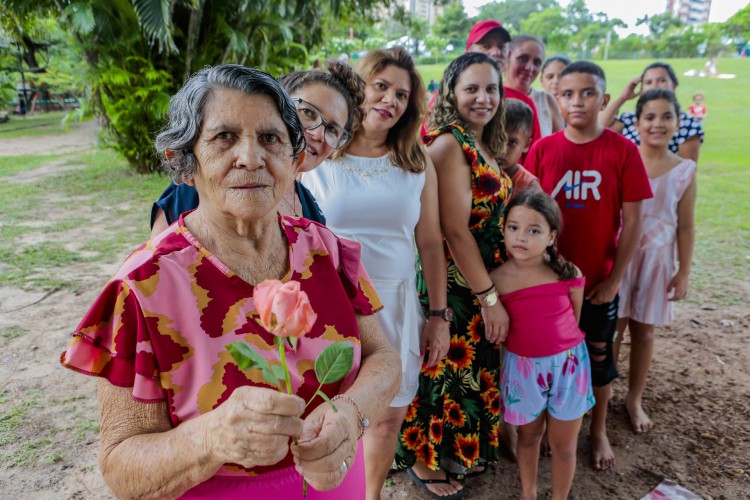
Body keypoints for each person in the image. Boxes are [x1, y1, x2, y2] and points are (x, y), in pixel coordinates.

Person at [60, 65, 401, 499]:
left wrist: (352, 415)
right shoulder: (142, 288)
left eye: (270, 138)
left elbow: (383, 357)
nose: (251, 157)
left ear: (293, 158)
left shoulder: (327, 252)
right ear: (184, 162)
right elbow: (121, 465)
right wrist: (212, 437)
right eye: (224, 138)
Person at [302, 47, 448, 500]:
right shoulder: (320, 154)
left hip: (397, 302)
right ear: (357, 88)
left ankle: (371, 495)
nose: (390, 100)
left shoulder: (416, 162)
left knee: (387, 415)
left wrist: (439, 315)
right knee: (326, 409)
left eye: (402, 95)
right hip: (331, 303)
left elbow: (429, 242)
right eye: (380, 86)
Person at [394, 52, 512, 499]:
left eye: (491, 89)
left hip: (477, 279)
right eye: (472, 88)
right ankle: (423, 460)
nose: (483, 98)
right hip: (456, 281)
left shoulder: (479, 141)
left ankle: (455, 451)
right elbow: (453, 231)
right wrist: (490, 298)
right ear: (450, 93)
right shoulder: (449, 143)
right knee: (441, 370)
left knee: (463, 370)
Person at [525, 61, 653, 471]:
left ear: (603, 97)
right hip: (550, 285)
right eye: (567, 94)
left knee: (599, 360)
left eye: (587, 93)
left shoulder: (622, 150)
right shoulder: (543, 150)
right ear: (556, 98)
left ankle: (596, 428)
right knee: (548, 356)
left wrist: (615, 279)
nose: (577, 102)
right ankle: (544, 424)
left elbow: (633, 221)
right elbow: (529, 215)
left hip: (598, 281)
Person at [150, 60, 365, 234]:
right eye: (308, 112)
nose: (318, 134)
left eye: (333, 129)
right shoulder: (196, 185)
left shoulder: (310, 206)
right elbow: (158, 265)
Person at [491, 190, 594, 500]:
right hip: (523, 370)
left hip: (569, 367)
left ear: (551, 236)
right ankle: (528, 493)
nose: (520, 237)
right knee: (529, 436)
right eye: (513, 227)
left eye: (533, 230)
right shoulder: (494, 280)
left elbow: (573, 321)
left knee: (564, 446)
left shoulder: (568, 274)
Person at [615, 89, 697, 434]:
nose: (658, 124)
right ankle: (597, 393)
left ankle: (634, 397)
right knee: (612, 328)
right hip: (620, 256)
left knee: (644, 331)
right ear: (637, 122)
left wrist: (683, 272)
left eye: (666, 117)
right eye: (649, 117)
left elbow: (687, 224)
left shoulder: (684, 170)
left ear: (678, 122)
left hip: (658, 260)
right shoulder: (624, 157)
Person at [421, 19, 542, 156]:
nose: (496, 52)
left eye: (501, 46)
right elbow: (427, 149)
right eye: (486, 46)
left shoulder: (524, 102)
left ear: (509, 54)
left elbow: (534, 154)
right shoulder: (446, 98)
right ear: (468, 53)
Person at [599, 62, 704, 162]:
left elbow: (686, 168)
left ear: (674, 85)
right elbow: (599, 127)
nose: (655, 85)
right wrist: (623, 97)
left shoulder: (687, 124)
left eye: (662, 80)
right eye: (648, 82)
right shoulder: (631, 119)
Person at [504, 35, 564, 137]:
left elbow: (560, 146)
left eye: (537, 62)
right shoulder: (491, 96)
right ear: (507, 57)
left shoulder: (546, 100)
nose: (529, 68)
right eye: (523, 58)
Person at [500, 98, 540, 200]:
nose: (502, 149)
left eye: (512, 142)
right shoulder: (478, 171)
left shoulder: (529, 186)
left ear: (526, 145)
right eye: (499, 139)